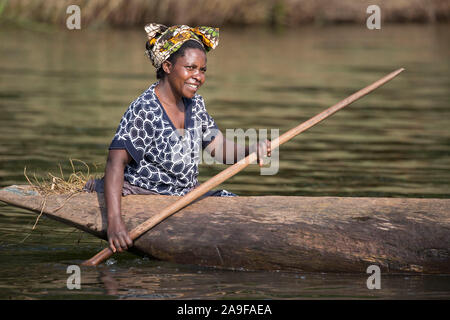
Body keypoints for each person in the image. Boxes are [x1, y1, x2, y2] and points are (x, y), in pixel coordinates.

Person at [84, 24, 271, 254]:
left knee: (239, 208)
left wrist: (251, 150)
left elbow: (218, 147)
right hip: (147, 195)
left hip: (184, 195)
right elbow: (115, 163)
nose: (198, 77)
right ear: (168, 66)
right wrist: (114, 224)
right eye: (190, 68)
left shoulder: (195, 104)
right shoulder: (146, 110)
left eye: (202, 70)